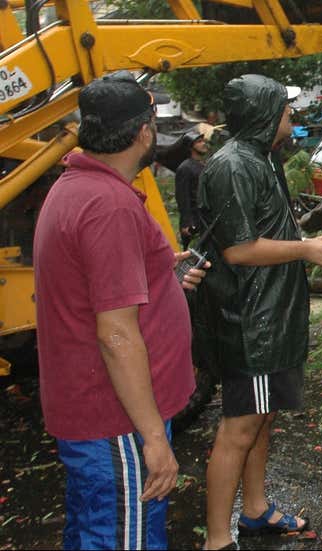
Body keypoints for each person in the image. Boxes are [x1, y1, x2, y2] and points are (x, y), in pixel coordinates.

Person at [33, 71, 208, 550]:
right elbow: (115, 334)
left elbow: (93, 288)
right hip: (119, 421)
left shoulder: (76, 186)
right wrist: (153, 439)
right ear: (144, 132)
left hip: (102, 414)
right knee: (123, 539)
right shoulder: (108, 206)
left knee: (97, 531)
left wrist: (158, 275)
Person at [196, 75, 322, 551]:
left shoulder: (261, 159)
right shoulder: (233, 166)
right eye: (283, 110)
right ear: (262, 114)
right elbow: (239, 251)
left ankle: (255, 511)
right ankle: (218, 540)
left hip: (272, 316)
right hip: (251, 321)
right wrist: (306, 249)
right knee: (239, 426)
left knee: (262, 416)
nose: (290, 118)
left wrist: (306, 244)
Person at [174, 128, 209, 249]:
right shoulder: (185, 168)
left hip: (205, 218)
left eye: (203, 140)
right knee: (191, 259)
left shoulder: (205, 165)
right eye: (199, 141)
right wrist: (186, 223)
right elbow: (182, 197)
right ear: (190, 147)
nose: (204, 143)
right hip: (193, 221)